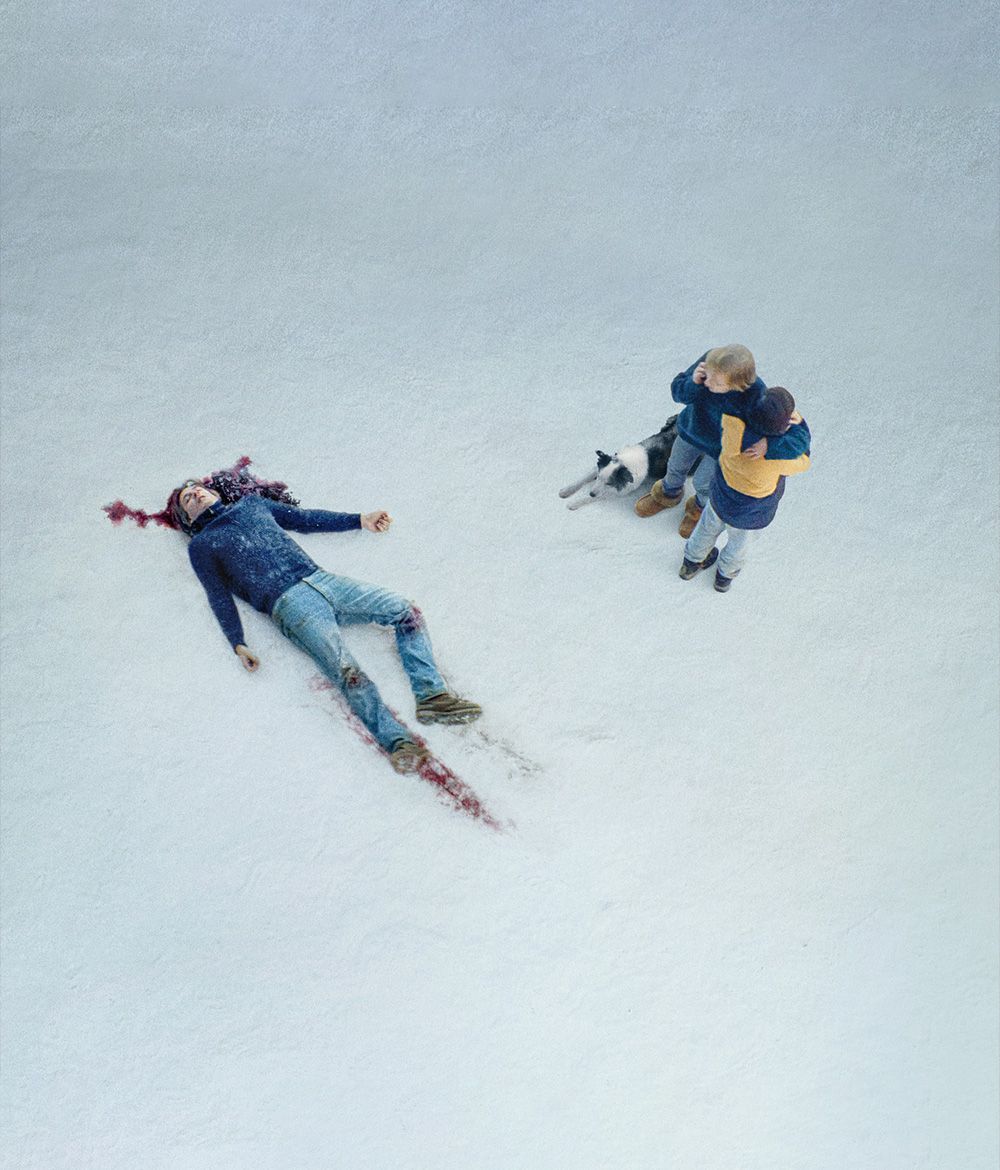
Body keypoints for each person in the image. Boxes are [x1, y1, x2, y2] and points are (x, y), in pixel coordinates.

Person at [172, 480, 481, 773]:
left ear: (214, 492)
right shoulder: (201, 546)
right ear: (189, 519)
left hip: (324, 581)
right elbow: (218, 594)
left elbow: (304, 519)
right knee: (348, 673)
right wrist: (237, 641)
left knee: (403, 611)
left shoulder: (252, 505)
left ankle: (432, 697)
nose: (196, 494)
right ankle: (399, 744)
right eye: (188, 499)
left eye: (198, 489)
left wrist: (361, 519)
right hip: (290, 606)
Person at [635, 345, 808, 538]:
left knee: (703, 483)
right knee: (675, 465)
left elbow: (794, 439)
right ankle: (667, 494)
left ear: (739, 384)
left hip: (721, 450)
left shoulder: (757, 397)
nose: (708, 382)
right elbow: (678, 393)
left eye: (716, 383)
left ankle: (698, 509)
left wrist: (770, 445)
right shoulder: (712, 364)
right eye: (708, 376)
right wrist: (692, 383)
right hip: (691, 430)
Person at [678, 387, 811, 592]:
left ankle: (691, 562)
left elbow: (734, 406)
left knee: (706, 528)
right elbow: (804, 458)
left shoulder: (732, 428)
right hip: (752, 513)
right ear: (784, 426)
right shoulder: (778, 458)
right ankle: (724, 577)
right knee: (739, 544)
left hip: (721, 497)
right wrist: (798, 424)